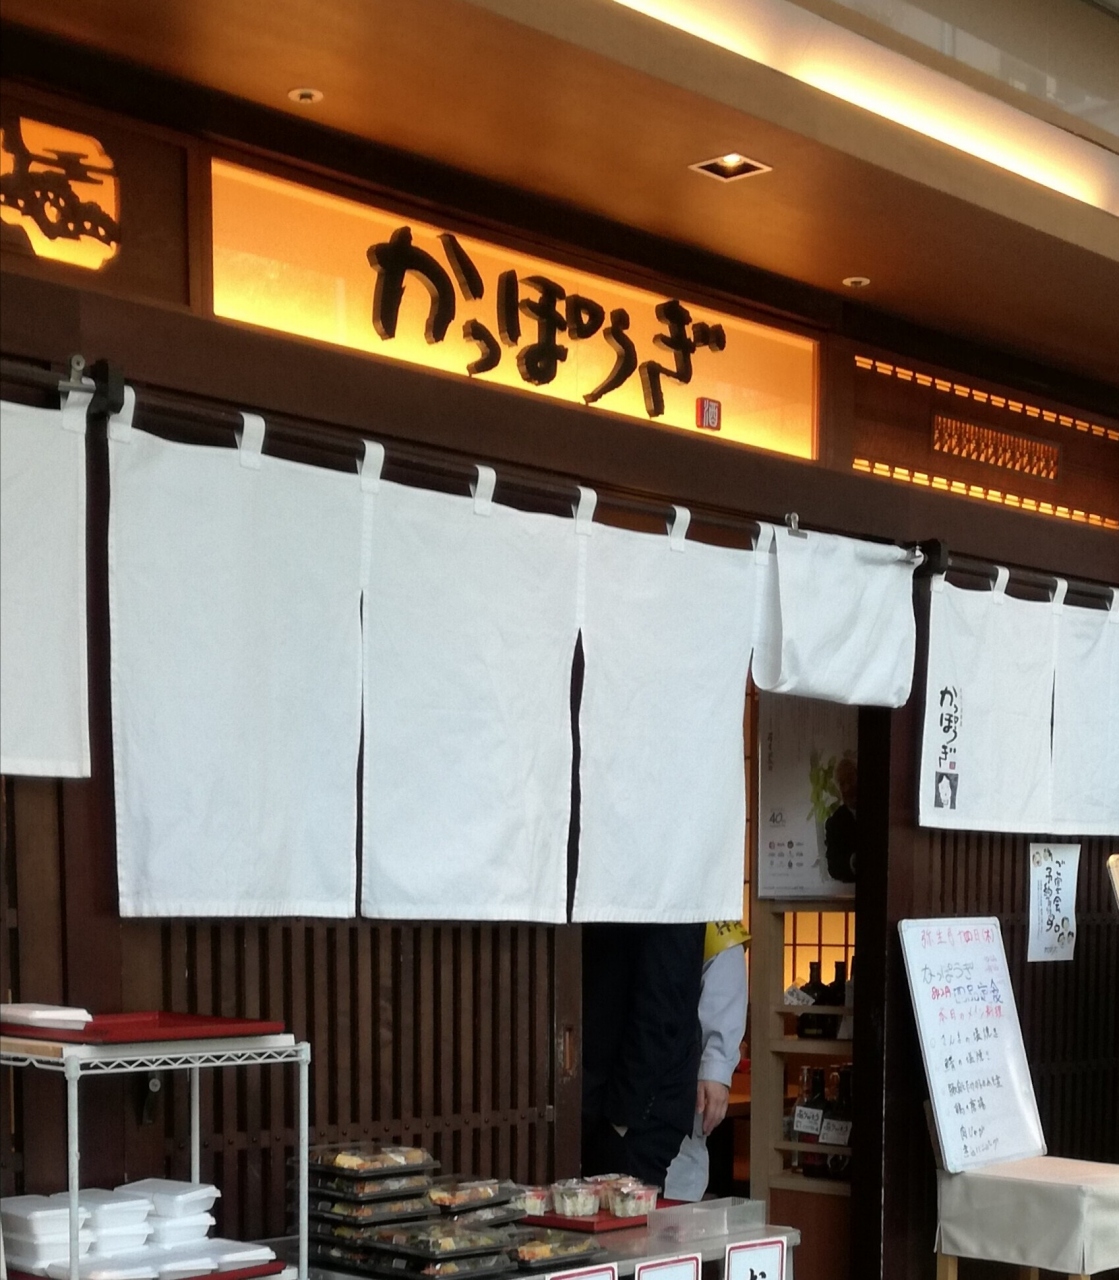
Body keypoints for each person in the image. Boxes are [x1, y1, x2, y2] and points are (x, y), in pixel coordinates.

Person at [581, 922, 705, 1188]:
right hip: (605, 1094)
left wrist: (621, 1118)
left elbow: (660, 1016)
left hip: (638, 1107)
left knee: (621, 1207)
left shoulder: (671, 909)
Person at [663, 921, 749, 1200]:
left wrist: (716, 1069)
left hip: (680, 1073)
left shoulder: (713, 908)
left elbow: (726, 967)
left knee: (677, 1183)